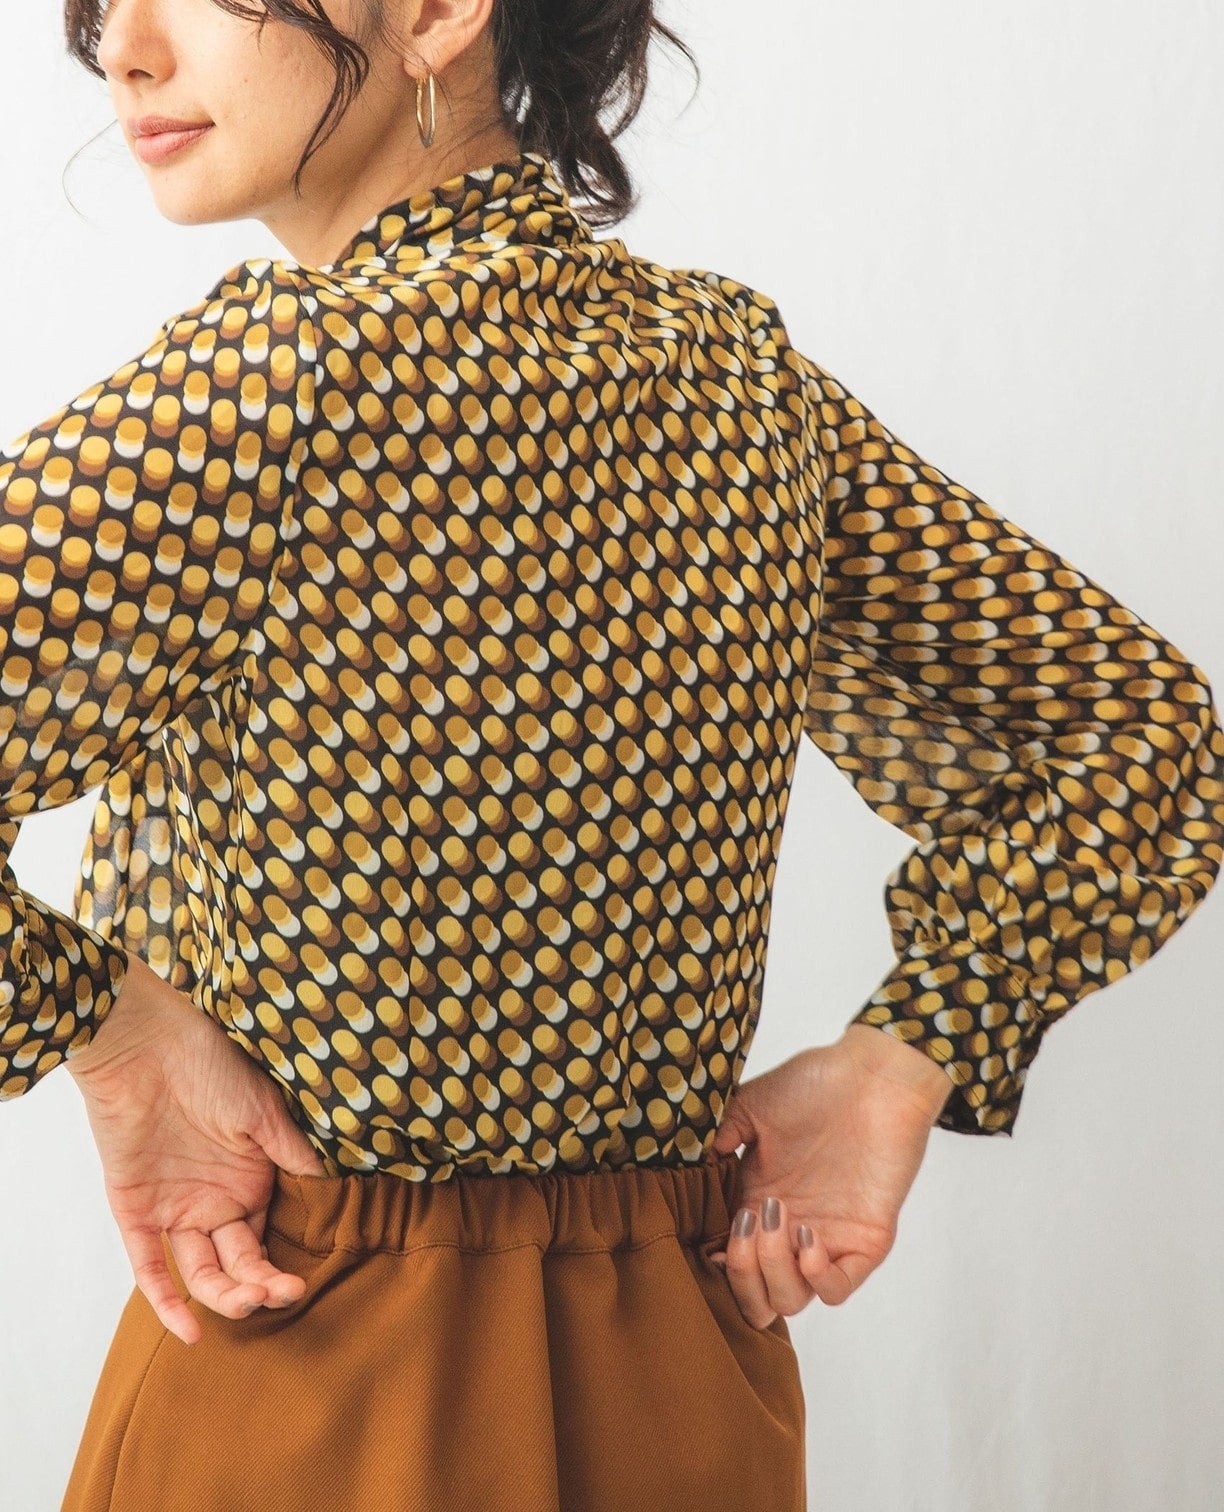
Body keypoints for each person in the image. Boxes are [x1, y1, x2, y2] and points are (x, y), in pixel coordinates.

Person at [1, 1, 1218, 1508]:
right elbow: (1141, 735)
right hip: (684, 1370)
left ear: (438, 11)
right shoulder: (742, 384)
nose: (122, 45)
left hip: (320, 1373)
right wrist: (908, 1058)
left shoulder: (272, 390)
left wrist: (107, 1031)